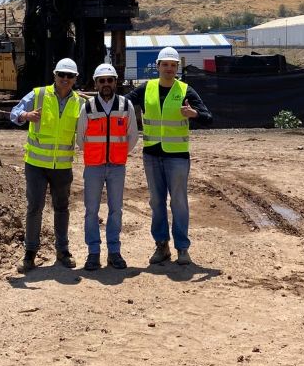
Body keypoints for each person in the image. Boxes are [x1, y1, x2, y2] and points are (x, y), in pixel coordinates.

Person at [125, 46, 212, 266]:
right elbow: (123, 103)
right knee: (156, 202)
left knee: (179, 203)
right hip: (152, 155)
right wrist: (93, 100)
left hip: (177, 157)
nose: (169, 69)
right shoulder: (147, 88)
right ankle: (161, 246)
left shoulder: (185, 90)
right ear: (157, 66)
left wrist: (194, 114)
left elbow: (208, 117)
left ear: (177, 68)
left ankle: (182, 248)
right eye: (165, 65)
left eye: (173, 65)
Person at [10, 57, 83, 273]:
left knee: (62, 208)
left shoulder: (80, 102)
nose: (65, 79)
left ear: (75, 79)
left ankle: (63, 251)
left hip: (62, 167)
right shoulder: (39, 94)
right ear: (55, 76)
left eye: (70, 76)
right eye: (62, 75)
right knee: (35, 208)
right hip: (36, 165)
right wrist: (25, 115)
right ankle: (30, 254)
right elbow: (14, 112)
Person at [76, 63, 139, 270]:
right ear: (96, 83)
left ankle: (114, 252)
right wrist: (98, 153)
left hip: (116, 167)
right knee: (91, 210)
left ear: (115, 82)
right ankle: (93, 253)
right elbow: (80, 138)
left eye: (109, 80)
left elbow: (132, 136)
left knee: (116, 210)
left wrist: (118, 153)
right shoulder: (87, 107)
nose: (106, 84)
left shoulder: (125, 106)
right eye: (101, 80)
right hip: (94, 166)